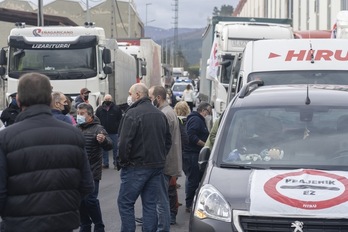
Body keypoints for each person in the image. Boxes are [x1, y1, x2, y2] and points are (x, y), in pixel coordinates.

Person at [0, 72, 94, 232]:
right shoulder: (73, 134)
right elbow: (86, 185)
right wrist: (66, 206)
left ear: (19, 99)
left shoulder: (6, 137)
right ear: (50, 99)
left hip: (20, 224)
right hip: (63, 223)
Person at [117, 83, 171, 232]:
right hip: (156, 166)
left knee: (125, 202)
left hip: (136, 166)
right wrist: (160, 157)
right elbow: (168, 141)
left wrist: (123, 162)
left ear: (138, 95)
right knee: (150, 204)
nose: (129, 97)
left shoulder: (132, 113)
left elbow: (124, 143)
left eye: (130, 93)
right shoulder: (160, 114)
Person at [76, 103, 113, 232]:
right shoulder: (76, 129)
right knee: (80, 201)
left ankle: (99, 225)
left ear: (90, 115)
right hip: (78, 172)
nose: (79, 116)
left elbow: (109, 145)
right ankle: (85, 225)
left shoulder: (98, 129)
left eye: (82, 114)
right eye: (78, 113)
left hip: (92, 170)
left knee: (90, 199)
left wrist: (103, 140)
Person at [149, 85, 182, 227]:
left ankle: (162, 227)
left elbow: (162, 141)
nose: (149, 101)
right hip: (168, 161)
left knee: (161, 200)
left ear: (158, 97)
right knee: (163, 198)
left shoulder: (165, 114)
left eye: (150, 98)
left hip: (165, 163)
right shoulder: (168, 111)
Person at [183, 101, 212, 213]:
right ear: (203, 110)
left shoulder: (198, 119)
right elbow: (191, 136)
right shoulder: (196, 120)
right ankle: (189, 204)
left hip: (194, 154)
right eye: (208, 112)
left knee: (195, 179)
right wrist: (205, 145)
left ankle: (192, 202)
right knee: (193, 180)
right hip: (192, 154)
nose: (208, 115)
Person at [96, 94, 123, 169]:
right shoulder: (99, 109)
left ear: (111, 100)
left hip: (114, 132)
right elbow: (97, 120)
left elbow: (120, 120)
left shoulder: (117, 108)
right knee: (104, 149)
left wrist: (118, 129)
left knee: (115, 148)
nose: (107, 101)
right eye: (106, 99)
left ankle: (116, 163)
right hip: (103, 132)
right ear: (104, 100)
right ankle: (105, 163)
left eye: (109, 99)